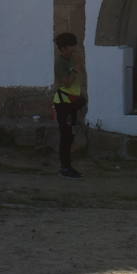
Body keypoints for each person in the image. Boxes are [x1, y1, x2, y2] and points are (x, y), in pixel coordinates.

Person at [53, 32, 86, 177]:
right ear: (64, 48)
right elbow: (66, 83)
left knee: (70, 136)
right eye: (72, 46)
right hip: (64, 104)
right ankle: (65, 168)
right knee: (66, 137)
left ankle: (67, 166)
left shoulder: (71, 59)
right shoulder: (60, 63)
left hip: (71, 102)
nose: (74, 49)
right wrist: (75, 69)